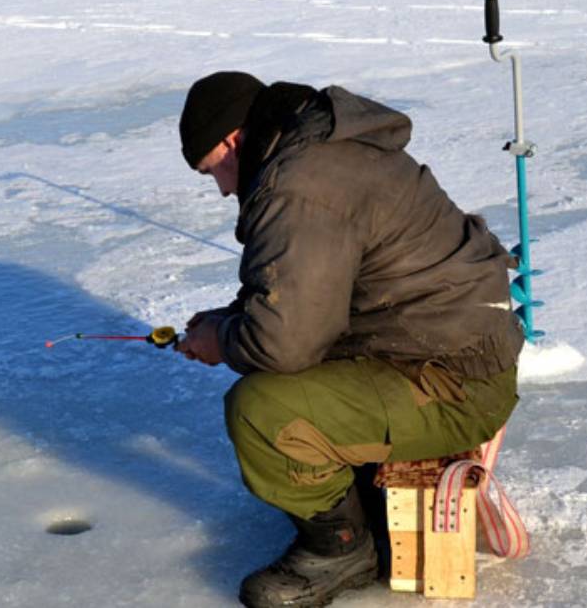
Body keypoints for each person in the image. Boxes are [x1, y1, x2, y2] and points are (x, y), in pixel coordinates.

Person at [174, 71, 523, 608]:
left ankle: (339, 549)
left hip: (453, 385)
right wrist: (227, 318)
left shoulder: (298, 184)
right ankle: (359, 493)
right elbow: (310, 290)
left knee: (262, 410)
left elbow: (283, 345)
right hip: (440, 352)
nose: (222, 187)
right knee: (292, 372)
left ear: (232, 141)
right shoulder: (320, 153)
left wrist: (223, 338)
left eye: (212, 170)